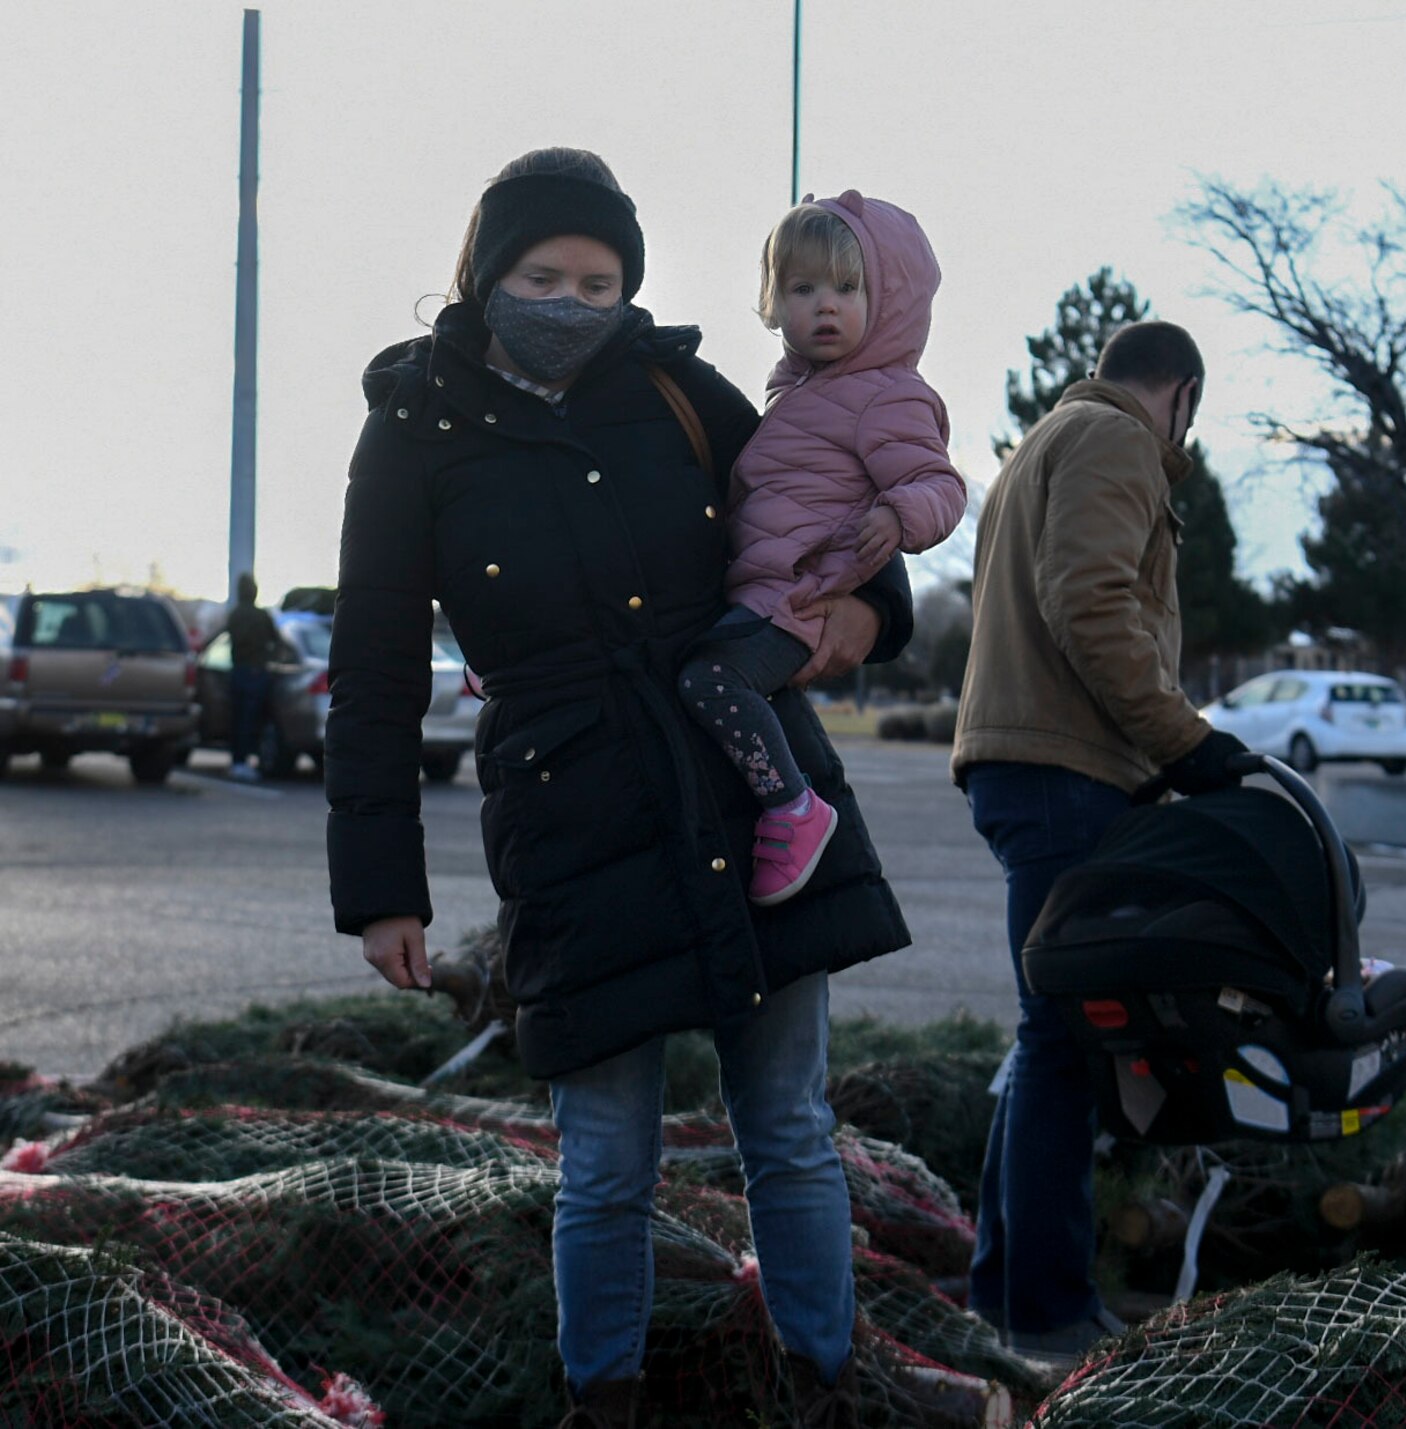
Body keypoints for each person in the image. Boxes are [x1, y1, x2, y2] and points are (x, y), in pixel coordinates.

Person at [324, 147, 916, 1429]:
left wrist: (860, 615)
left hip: (752, 797)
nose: (571, 300)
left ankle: (822, 1387)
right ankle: (607, 1403)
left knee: (790, 1130)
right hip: (569, 815)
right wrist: (379, 890)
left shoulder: (680, 390)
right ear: (484, 277)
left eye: (599, 278)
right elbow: (370, 666)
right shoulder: (415, 428)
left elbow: (835, 528)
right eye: (542, 274)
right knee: (603, 1164)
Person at [949, 320, 1249, 1361]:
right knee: (1064, 1047)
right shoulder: (1117, 440)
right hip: (1065, 771)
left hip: (1026, 765)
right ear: (1181, 395)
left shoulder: (1044, 437)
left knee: (1045, 1039)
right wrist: (1185, 742)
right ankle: (1047, 1311)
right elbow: (1091, 601)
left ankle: (1001, 1294)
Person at [678, 193, 964, 908]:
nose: (825, 306)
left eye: (847, 287)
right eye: (804, 289)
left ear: (887, 300)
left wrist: (901, 517)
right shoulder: (797, 394)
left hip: (802, 597)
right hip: (766, 589)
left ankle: (793, 809)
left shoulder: (886, 394)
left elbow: (938, 481)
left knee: (711, 681)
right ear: (777, 302)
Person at [224, 571, 281, 781]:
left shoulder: (235, 615)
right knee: (251, 720)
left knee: (238, 719)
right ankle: (246, 760)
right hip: (256, 673)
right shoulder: (261, 616)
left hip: (238, 671)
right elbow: (277, 641)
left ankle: (238, 761)